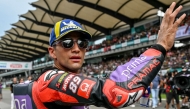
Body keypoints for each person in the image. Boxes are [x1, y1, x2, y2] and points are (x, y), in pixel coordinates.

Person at [13, 2, 186, 109]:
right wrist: (160, 46)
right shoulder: (50, 80)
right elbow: (116, 92)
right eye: (67, 43)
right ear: (52, 52)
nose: (76, 48)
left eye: (82, 43)